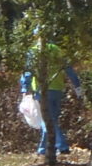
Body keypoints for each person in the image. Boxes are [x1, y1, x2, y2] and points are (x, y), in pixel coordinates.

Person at [19, 24, 82, 158]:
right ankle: (44, 148)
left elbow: (28, 72)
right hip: (57, 88)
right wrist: (77, 86)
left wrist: (25, 88)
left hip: (41, 90)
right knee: (51, 118)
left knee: (48, 119)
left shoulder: (34, 51)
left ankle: (61, 146)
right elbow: (69, 69)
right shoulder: (57, 50)